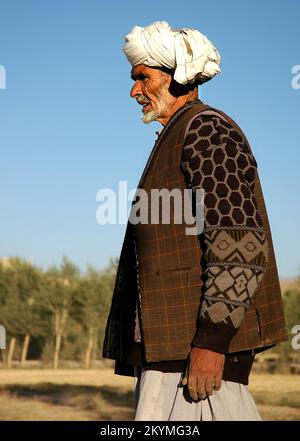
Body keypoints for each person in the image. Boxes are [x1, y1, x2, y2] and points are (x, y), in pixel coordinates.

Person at [102, 21, 288, 421]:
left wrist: (213, 343)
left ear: (179, 75)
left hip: (196, 367)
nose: (134, 90)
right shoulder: (179, 135)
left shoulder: (205, 131)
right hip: (173, 356)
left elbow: (240, 243)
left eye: (142, 77)